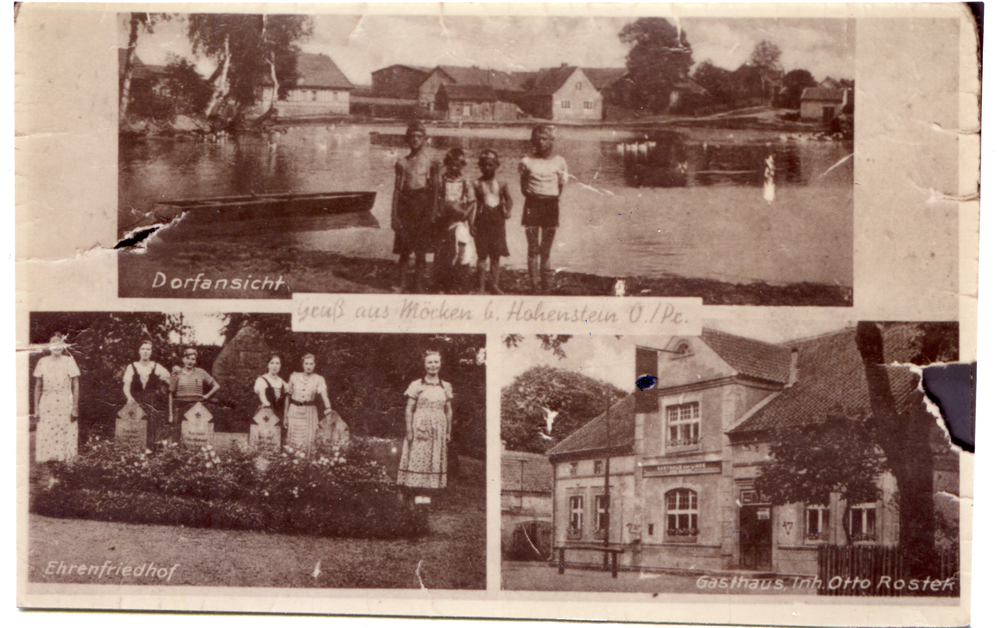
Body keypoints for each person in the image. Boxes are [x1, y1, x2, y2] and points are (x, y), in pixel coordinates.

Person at [397, 350, 453, 505]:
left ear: (440, 364)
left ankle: (426, 496)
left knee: (433, 458)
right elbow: (409, 408)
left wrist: (448, 431)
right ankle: (411, 494)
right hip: (420, 426)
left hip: (439, 429)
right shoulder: (417, 384)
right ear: (424, 365)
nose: (433, 365)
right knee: (417, 457)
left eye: (436, 362)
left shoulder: (446, 386)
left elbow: (448, 410)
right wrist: (409, 430)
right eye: (430, 362)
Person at [391, 121, 440, 293]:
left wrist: (433, 212)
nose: (415, 139)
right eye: (412, 136)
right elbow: (397, 190)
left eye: (419, 136)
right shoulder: (402, 162)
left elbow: (435, 190)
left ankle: (418, 284)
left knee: (421, 250)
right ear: (407, 139)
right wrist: (394, 215)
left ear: (425, 139)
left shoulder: (431, 161)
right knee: (404, 249)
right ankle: (401, 283)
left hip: (423, 206)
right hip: (406, 206)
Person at [519, 124, 568, 292]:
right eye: (538, 139)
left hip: (550, 207)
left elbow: (559, 187)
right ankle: (534, 285)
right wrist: (536, 197)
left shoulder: (559, 162)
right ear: (533, 141)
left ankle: (546, 285)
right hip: (532, 205)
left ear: (552, 141)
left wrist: (549, 197)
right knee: (532, 248)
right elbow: (524, 187)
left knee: (545, 249)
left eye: (545, 139)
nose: (541, 142)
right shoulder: (526, 161)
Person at [32, 334, 81, 463]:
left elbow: (75, 385)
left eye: (60, 343)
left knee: (65, 436)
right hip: (47, 403)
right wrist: (36, 409)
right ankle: (53, 476)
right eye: (53, 343)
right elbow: (38, 387)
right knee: (48, 437)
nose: (57, 346)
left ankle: (64, 477)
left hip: (65, 402)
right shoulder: (42, 362)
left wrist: (75, 408)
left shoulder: (69, 360)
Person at [435, 147, 476, 293]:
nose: (454, 167)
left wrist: (467, 217)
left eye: (457, 165)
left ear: (462, 165)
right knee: (444, 251)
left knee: (463, 247)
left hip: (459, 221)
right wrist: (439, 212)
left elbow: (472, 202)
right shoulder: (441, 180)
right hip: (444, 221)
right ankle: (443, 282)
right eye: (451, 164)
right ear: (446, 163)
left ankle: (462, 280)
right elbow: (436, 200)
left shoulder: (465, 182)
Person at [472, 149, 513, 294]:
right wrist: (471, 224)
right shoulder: (476, 183)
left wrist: (507, 211)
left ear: (496, 165)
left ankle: (494, 285)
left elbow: (508, 199)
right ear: (480, 166)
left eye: (490, 165)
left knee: (496, 255)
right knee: (482, 255)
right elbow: (472, 205)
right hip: (482, 220)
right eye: (484, 165)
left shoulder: (501, 183)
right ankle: (481, 286)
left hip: (497, 220)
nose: (487, 168)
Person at [122, 340, 171, 446]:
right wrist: (130, 398)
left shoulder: (157, 367)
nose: (145, 351)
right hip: (136, 403)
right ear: (139, 351)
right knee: (135, 434)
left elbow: (170, 381)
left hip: (152, 405)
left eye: (148, 349)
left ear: (151, 352)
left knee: (153, 434)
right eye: (143, 348)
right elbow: (126, 387)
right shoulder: (132, 367)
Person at [284, 353, 334, 453]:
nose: (309, 366)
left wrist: (328, 408)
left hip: (309, 411)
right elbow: (287, 397)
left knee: (309, 441)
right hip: (294, 410)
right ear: (302, 364)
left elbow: (324, 396)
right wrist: (285, 415)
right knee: (293, 440)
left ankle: (307, 465)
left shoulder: (319, 379)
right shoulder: (294, 377)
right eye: (306, 363)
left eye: (311, 364)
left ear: (315, 365)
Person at [169, 348, 221, 439]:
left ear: (196, 360)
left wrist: (206, 396)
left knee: (197, 435)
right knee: (177, 435)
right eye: (188, 358)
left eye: (193, 359)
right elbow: (170, 393)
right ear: (183, 359)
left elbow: (216, 386)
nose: (190, 361)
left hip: (196, 406)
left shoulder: (200, 372)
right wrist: (170, 414)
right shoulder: (177, 372)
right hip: (180, 406)